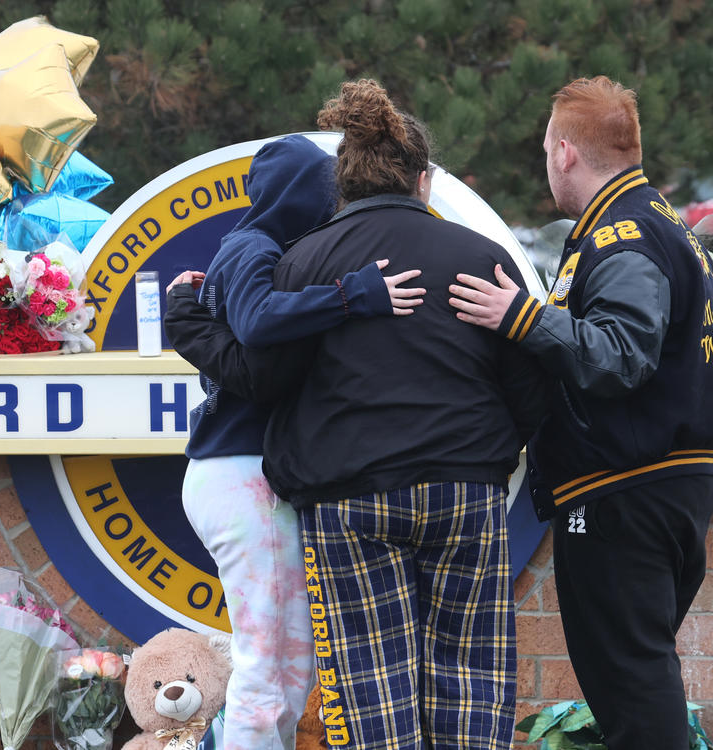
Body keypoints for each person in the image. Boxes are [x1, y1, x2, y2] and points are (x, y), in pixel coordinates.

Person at [169, 80, 547, 750]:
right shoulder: (477, 256)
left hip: (349, 499)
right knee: (474, 679)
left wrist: (189, 324)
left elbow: (266, 376)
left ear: (340, 188)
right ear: (423, 181)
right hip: (465, 489)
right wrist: (486, 452)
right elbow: (529, 390)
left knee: (372, 690)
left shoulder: (303, 262)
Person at [448, 75, 713, 750]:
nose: (545, 163)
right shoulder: (661, 225)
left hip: (624, 492)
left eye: (544, 149)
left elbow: (621, 354)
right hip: (661, 488)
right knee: (638, 680)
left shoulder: (623, 235)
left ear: (564, 151)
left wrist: (523, 318)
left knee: (632, 690)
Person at [164, 134, 426, 750]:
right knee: (270, 668)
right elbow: (256, 323)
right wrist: (356, 293)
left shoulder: (266, 251)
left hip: (245, 473)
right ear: (304, 193)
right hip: (242, 475)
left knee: (286, 665)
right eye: (328, 190)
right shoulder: (251, 245)